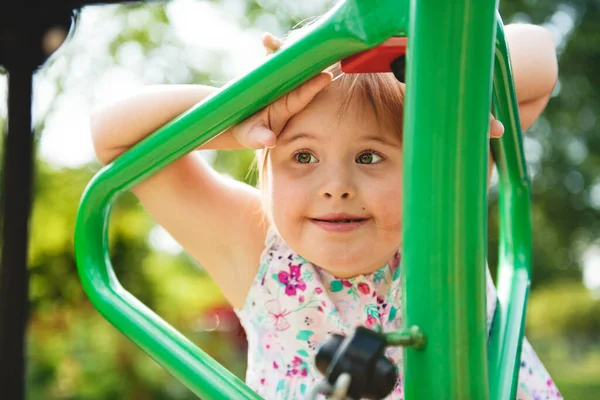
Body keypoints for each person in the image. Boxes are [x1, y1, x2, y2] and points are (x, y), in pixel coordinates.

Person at [90, 18, 560, 399]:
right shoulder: (254, 245)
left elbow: (538, 56)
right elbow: (112, 135)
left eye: (369, 157)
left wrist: (442, 78)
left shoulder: (441, 203)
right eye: (303, 156)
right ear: (268, 163)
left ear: (423, 160)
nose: (336, 188)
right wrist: (243, 112)